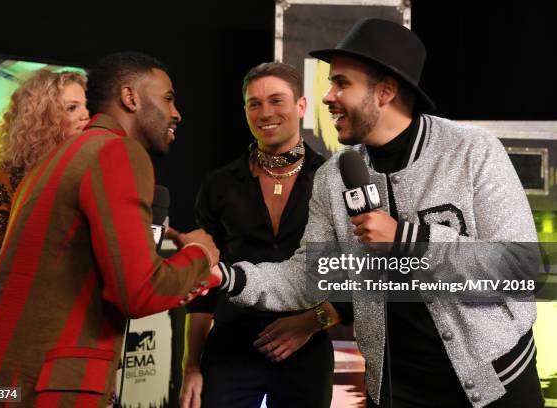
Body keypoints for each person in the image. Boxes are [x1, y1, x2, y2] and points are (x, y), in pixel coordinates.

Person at [215, 18, 544, 408]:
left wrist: (410, 240)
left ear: (385, 91)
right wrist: (226, 276)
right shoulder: (334, 177)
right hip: (394, 390)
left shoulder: (473, 150)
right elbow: (311, 275)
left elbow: (521, 267)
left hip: (494, 384)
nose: (327, 97)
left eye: (341, 83)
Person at [0, 52, 222, 407]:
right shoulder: (118, 152)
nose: (176, 112)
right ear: (131, 97)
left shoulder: (50, 163)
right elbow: (138, 293)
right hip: (39, 389)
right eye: (167, 98)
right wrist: (199, 254)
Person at [179, 62, 352, 408]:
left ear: (301, 107)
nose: (265, 113)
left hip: (307, 352)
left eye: (276, 101)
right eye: (254, 104)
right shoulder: (219, 185)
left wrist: (310, 323)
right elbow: (203, 288)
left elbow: (356, 269)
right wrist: (192, 366)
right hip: (230, 352)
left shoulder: (333, 179)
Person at [0, 69, 90, 303]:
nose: (86, 116)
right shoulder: (8, 178)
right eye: (72, 108)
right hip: (31, 326)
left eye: (85, 105)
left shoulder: (88, 174)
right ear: (44, 119)